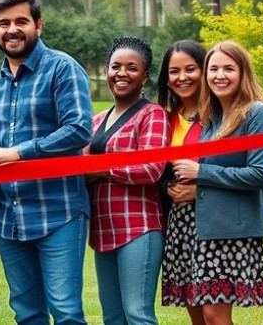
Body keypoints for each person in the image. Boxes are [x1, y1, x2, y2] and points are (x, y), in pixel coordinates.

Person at [0, 0, 92, 325]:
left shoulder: (62, 68)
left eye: (21, 21)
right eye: (3, 23)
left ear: (38, 25)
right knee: (27, 313)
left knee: (66, 312)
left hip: (58, 213)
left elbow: (79, 129)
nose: (11, 29)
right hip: (10, 219)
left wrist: (20, 152)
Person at [170, 40, 263, 325]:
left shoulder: (257, 113)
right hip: (208, 227)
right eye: (213, 68)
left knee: (215, 315)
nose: (220, 75)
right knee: (206, 313)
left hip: (234, 229)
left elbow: (260, 174)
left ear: (243, 73)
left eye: (229, 68)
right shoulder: (213, 118)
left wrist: (200, 174)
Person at [85, 36, 169, 325]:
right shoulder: (95, 121)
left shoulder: (152, 114)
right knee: (112, 317)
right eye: (115, 66)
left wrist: (101, 170)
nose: (122, 73)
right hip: (102, 230)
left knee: (138, 314)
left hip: (139, 228)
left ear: (145, 75)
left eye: (132, 68)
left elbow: (152, 168)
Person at [157, 40, 208, 324]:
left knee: (215, 315)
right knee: (196, 315)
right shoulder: (165, 120)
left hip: (213, 221)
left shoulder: (222, 118)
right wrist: (168, 187)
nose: (182, 77)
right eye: (174, 72)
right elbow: (158, 173)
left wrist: (200, 189)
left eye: (191, 69)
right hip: (179, 225)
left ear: (205, 70)